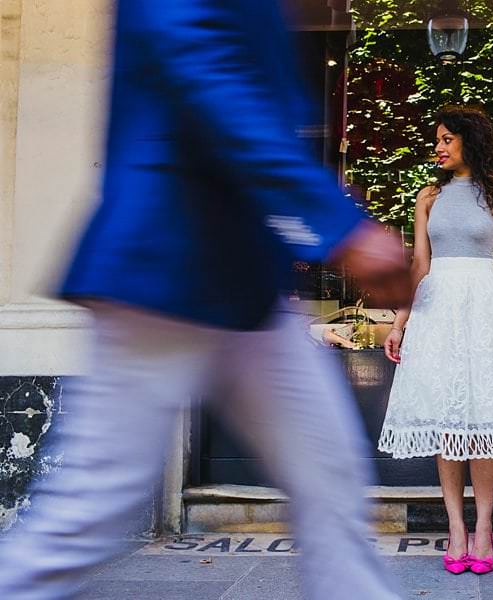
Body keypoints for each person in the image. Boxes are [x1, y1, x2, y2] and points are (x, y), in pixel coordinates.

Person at [0, 1, 409, 599]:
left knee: (331, 480)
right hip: (164, 267)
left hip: (246, 283)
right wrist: (338, 225)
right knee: (88, 515)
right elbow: (214, 84)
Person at [377, 106, 493, 575]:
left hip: (483, 308)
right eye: (437, 139)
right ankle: (456, 526)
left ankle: (484, 526)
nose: (438, 146)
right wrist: (399, 322)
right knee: (446, 422)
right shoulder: (428, 196)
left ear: (469, 142)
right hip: (437, 311)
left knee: (485, 421)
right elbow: (418, 265)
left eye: (447, 139)